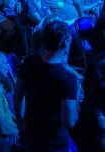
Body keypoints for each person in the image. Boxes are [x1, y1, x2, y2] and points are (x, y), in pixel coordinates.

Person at [17, 20, 81, 152]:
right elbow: (69, 122)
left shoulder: (29, 63)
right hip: (54, 142)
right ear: (66, 43)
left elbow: (17, 96)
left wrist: (20, 121)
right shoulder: (68, 79)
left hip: (31, 134)